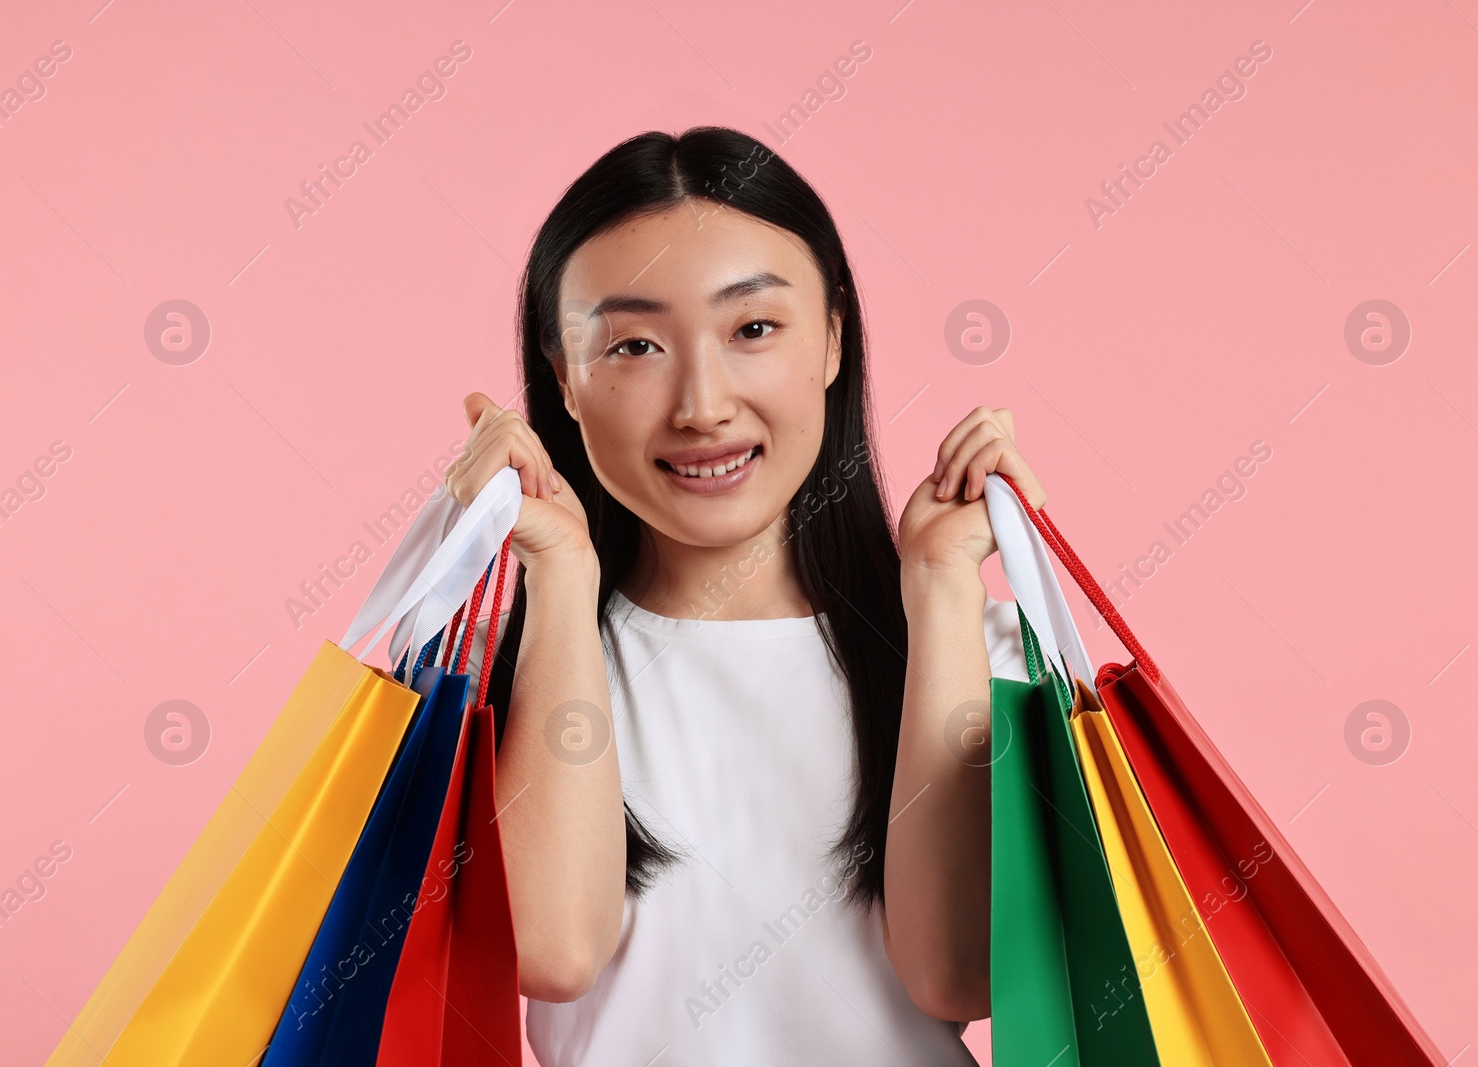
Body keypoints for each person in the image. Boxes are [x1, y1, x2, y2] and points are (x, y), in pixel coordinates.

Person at [443, 126, 1049, 1066]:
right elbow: (554, 951)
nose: (702, 404)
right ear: (562, 380)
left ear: (834, 337)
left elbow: (954, 973)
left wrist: (936, 585)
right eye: (635, 344)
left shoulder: (974, 646)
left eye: (753, 328)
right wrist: (557, 578)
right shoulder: (504, 675)